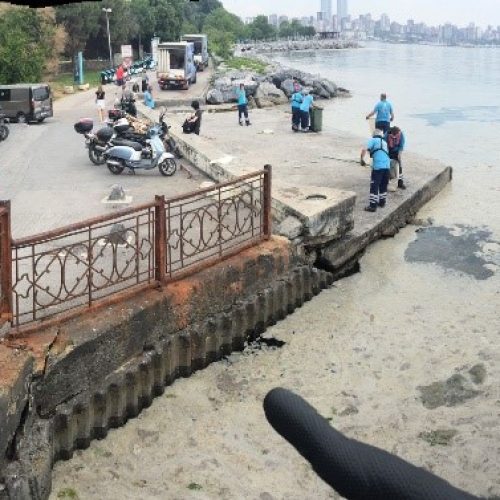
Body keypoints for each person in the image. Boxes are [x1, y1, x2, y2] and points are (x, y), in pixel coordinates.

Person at [360, 129, 391, 212]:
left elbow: (364, 149)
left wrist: (362, 159)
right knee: (383, 185)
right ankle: (382, 202)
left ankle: (373, 206)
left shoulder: (372, 140)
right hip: (387, 166)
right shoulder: (384, 143)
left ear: (373, 135)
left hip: (378, 167)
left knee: (374, 185)